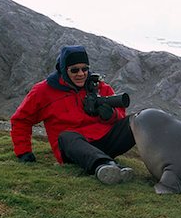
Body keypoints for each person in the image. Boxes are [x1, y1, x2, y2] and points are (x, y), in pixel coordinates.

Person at [10, 45, 135, 184]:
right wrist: (23, 151)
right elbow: (21, 120)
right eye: (74, 70)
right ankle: (106, 166)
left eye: (85, 69)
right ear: (64, 69)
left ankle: (161, 170)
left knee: (137, 121)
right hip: (72, 149)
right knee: (66, 136)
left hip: (103, 142)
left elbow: (120, 116)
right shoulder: (43, 91)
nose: (81, 74)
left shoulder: (99, 87)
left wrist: (111, 115)